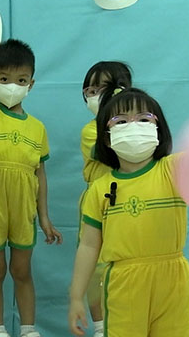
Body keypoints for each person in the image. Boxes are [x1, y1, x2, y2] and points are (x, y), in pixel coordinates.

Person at [69, 86, 189, 336]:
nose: (133, 126)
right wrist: (76, 297)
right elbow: (89, 246)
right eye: (121, 121)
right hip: (124, 284)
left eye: (144, 119)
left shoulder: (174, 170)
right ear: (106, 137)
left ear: (158, 129)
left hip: (175, 282)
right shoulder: (99, 190)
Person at [0, 39, 63, 337]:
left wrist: (44, 217)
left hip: (24, 203)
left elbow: (40, 175)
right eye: (4, 79)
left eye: (21, 80)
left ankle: (28, 328)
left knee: (22, 270)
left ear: (31, 84)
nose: (13, 86)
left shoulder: (37, 127)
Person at [79, 61, 132, 337]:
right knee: (96, 270)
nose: (97, 95)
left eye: (106, 88)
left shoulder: (140, 128)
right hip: (99, 206)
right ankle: (100, 327)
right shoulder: (91, 130)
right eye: (91, 90)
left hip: (131, 204)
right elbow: (113, 154)